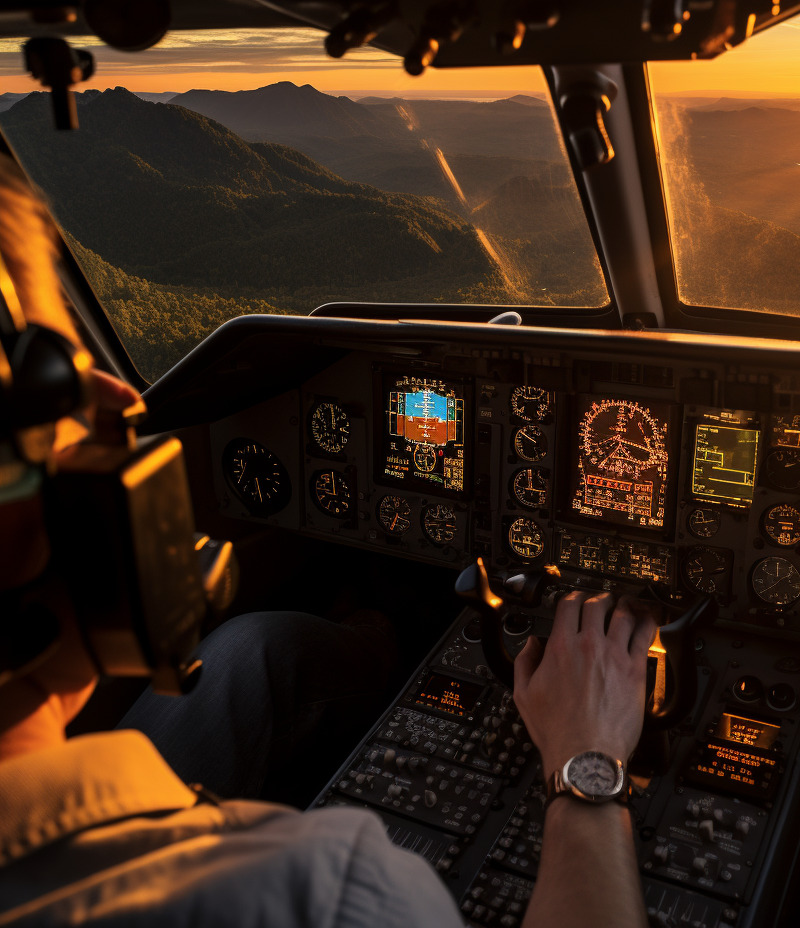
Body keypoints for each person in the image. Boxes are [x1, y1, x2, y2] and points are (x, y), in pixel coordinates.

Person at [0, 152, 658, 927]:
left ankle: (381, 641)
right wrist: (589, 759)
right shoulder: (329, 893)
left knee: (254, 649)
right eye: (60, 370)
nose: (114, 393)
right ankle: (393, 636)